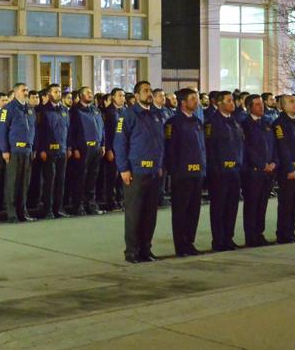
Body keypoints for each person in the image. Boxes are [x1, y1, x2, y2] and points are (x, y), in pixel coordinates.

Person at [114, 81, 166, 264]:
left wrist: (159, 164)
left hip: (153, 170)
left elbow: (159, 143)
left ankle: (146, 249)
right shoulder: (127, 115)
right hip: (136, 171)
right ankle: (132, 252)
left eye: (150, 90)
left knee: (150, 214)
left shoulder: (156, 114)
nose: (149, 93)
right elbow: (119, 143)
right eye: (145, 91)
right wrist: (124, 169)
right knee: (134, 213)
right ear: (136, 96)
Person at [165, 88, 205, 257]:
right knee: (181, 211)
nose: (196, 102)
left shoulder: (197, 121)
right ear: (183, 102)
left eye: (197, 99)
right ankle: (180, 245)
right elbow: (170, 149)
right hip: (182, 174)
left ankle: (190, 242)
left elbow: (202, 148)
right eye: (193, 99)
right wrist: (175, 171)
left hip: (197, 173)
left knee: (194, 211)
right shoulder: (173, 123)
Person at [206, 91, 244, 252]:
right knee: (219, 208)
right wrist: (216, 169)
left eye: (232, 101)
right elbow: (210, 149)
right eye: (228, 101)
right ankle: (219, 240)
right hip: (220, 173)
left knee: (232, 207)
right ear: (220, 103)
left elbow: (240, 146)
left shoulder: (234, 122)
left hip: (234, 171)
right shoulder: (212, 122)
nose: (232, 104)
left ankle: (229, 238)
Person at [272, 94, 295, 244]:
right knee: (286, 203)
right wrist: (289, 168)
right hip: (289, 170)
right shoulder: (280, 123)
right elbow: (283, 147)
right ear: (282, 106)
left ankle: (291, 230)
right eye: (291, 102)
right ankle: (283, 233)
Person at [240, 95, 275, 247]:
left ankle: (259, 233)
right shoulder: (244, 124)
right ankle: (251, 236)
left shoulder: (267, 123)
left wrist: (274, 162)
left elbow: (273, 145)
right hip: (253, 171)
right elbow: (247, 148)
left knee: (262, 204)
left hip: (268, 171)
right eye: (257, 105)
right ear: (250, 107)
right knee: (252, 205)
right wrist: (261, 164)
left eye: (262, 104)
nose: (262, 107)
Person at [0, 83, 35, 223]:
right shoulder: (8, 109)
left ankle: (22, 211)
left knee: (24, 183)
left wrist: (32, 148)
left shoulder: (29, 109)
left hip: (27, 150)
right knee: (12, 182)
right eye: (23, 90)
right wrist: (5, 150)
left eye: (26, 90)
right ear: (16, 92)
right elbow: (1, 131)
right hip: (14, 150)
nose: (26, 92)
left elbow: (32, 130)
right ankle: (12, 213)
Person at [67, 86, 105, 216]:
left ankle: (91, 204)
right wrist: (75, 147)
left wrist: (103, 144)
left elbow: (102, 128)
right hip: (83, 148)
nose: (90, 94)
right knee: (80, 177)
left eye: (91, 92)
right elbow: (71, 131)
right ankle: (79, 205)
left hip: (96, 147)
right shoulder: (75, 110)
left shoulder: (95, 110)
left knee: (92, 177)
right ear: (81, 95)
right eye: (87, 93)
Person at [35, 84, 70, 219]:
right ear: (49, 94)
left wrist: (69, 147)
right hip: (48, 151)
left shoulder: (64, 110)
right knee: (49, 181)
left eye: (60, 91)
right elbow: (40, 131)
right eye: (55, 91)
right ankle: (47, 209)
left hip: (62, 149)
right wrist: (42, 149)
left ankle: (58, 208)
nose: (58, 93)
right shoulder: (42, 110)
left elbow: (68, 129)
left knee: (61, 180)